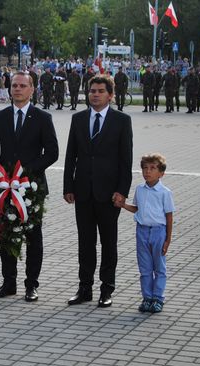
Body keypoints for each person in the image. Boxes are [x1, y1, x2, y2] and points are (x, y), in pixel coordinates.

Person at [0, 72, 59, 301]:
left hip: (31, 187)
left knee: (33, 237)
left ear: (32, 89)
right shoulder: (0, 117)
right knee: (6, 235)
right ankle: (9, 283)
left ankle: (31, 285)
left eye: (23, 85)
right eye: (14, 85)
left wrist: (25, 173)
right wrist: (2, 174)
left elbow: (52, 153)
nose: (17, 89)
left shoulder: (42, 118)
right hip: (4, 187)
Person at [63, 75, 133, 308]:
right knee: (85, 243)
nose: (95, 94)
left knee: (108, 242)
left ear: (110, 95)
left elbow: (126, 160)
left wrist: (122, 191)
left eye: (100, 91)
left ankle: (107, 289)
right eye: (92, 90)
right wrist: (68, 186)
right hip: (82, 191)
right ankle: (85, 288)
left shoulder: (121, 121)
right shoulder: (78, 119)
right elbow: (71, 155)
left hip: (108, 194)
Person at [115, 153, 174, 314]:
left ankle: (158, 298)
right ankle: (147, 298)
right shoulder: (140, 190)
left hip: (158, 232)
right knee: (145, 268)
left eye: (153, 168)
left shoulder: (165, 192)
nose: (148, 172)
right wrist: (123, 205)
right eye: (145, 168)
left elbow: (169, 217)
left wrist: (168, 239)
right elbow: (137, 208)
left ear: (161, 173)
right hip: (142, 231)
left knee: (159, 267)